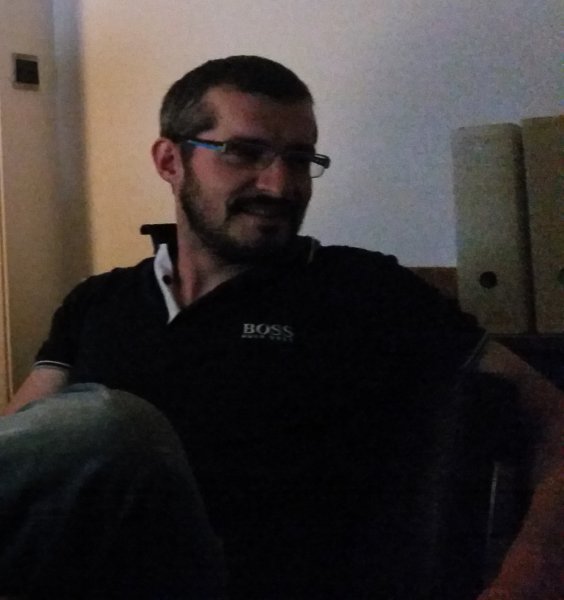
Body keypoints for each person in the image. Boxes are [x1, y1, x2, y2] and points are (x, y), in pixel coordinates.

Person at [1, 56, 562, 600]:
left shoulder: (360, 289)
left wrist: (526, 581)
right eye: (244, 153)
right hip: (71, 576)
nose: (279, 185)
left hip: (242, 580)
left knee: (114, 424)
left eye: (298, 159)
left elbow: (555, 417)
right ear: (170, 161)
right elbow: (25, 450)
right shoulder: (99, 301)